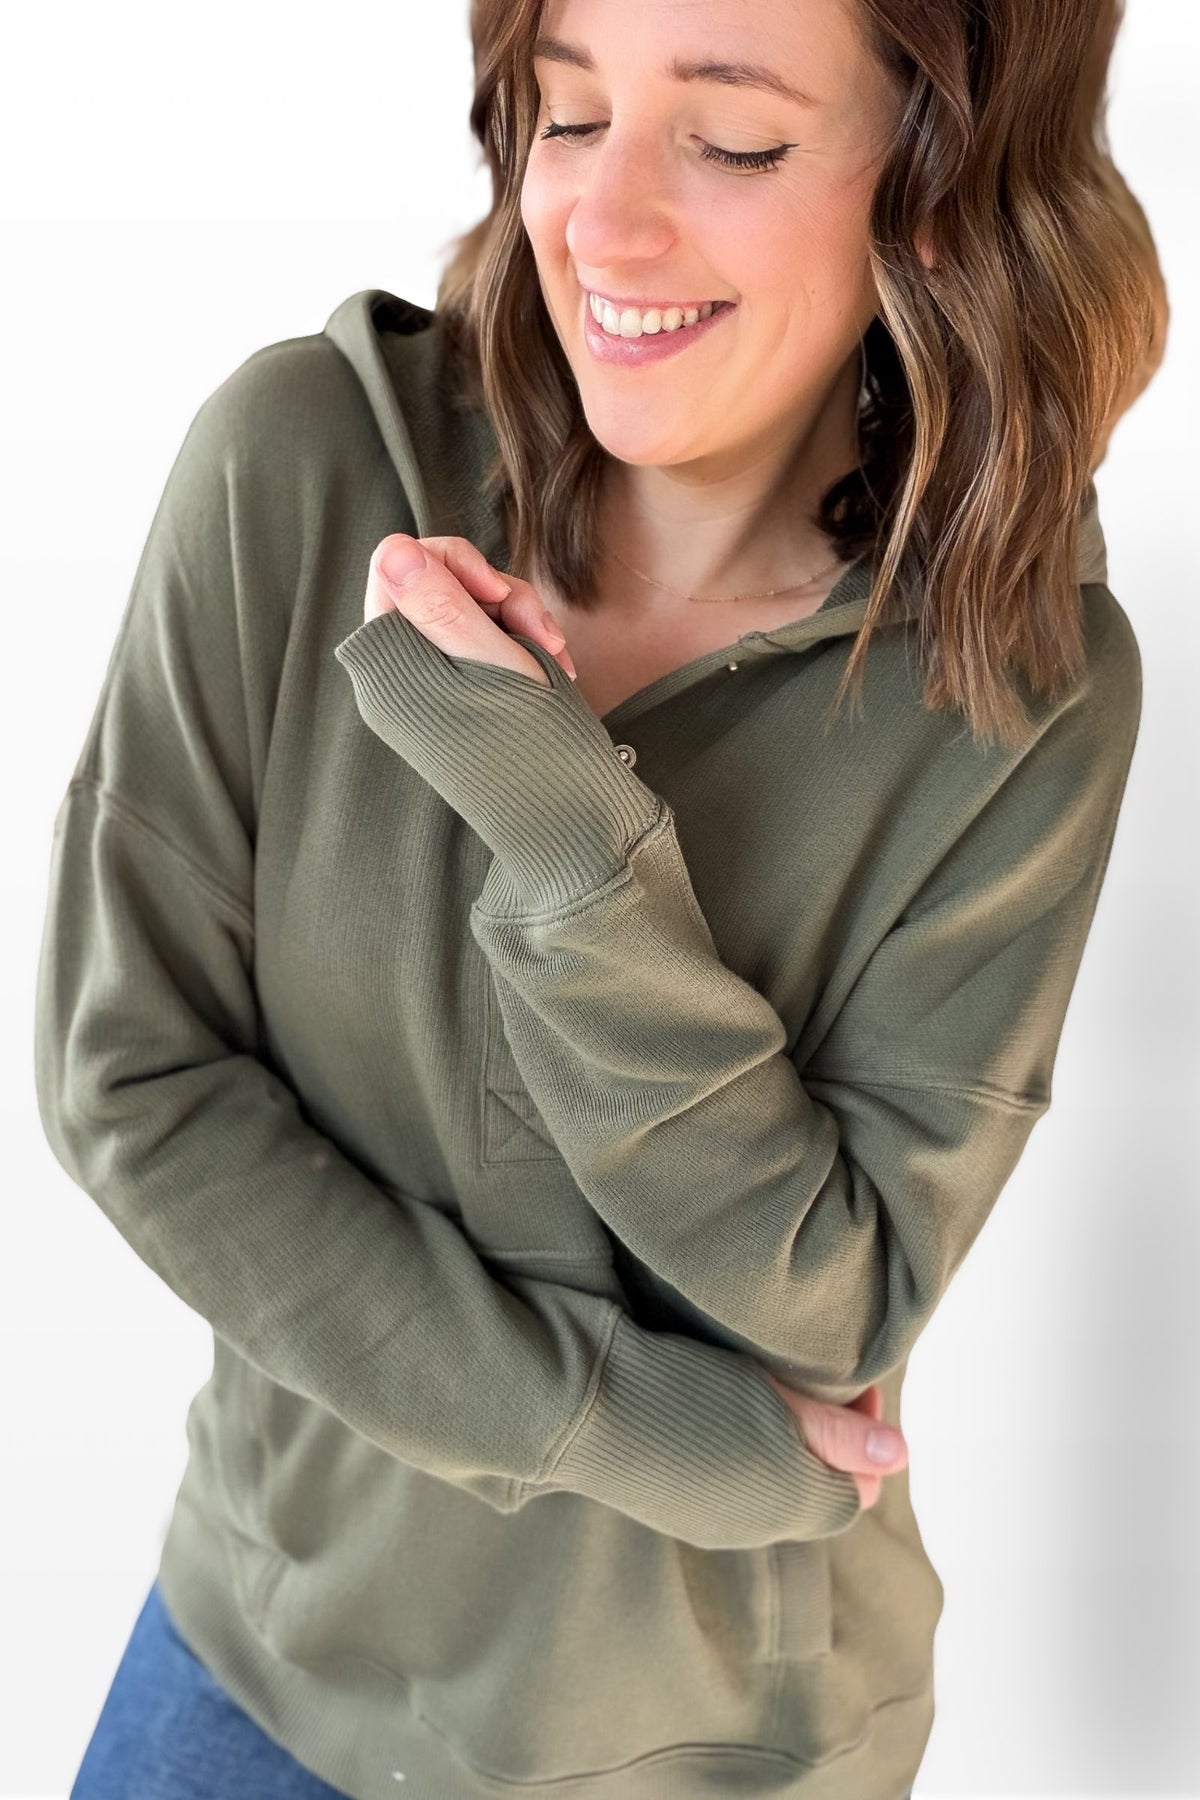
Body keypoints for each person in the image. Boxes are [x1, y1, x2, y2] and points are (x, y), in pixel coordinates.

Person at [35, 0, 1164, 1795]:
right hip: (257, 1669)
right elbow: (135, 1087)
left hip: (718, 1754)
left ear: (940, 192)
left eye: (731, 142)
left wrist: (564, 830)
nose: (603, 225)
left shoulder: (1018, 691)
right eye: (566, 120)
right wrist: (638, 1433)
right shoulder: (300, 469)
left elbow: (832, 1300)